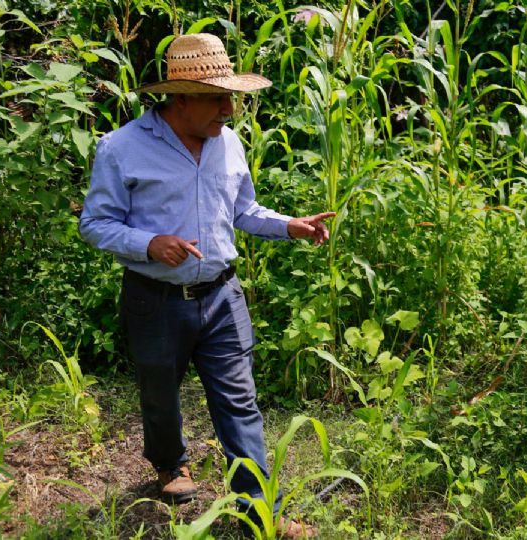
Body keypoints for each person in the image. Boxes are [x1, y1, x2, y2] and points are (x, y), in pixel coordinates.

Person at [79, 33, 328, 538]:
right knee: (159, 393)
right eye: (219, 96)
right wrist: (149, 243)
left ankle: (261, 510)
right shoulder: (122, 148)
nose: (230, 108)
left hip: (222, 295)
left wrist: (289, 225)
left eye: (231, 95)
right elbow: (95, 223)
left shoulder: (228, 143)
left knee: (240, 403)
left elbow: (243, 211)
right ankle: (170, 464)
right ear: (181, 97)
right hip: (155, 299)